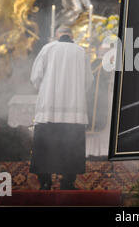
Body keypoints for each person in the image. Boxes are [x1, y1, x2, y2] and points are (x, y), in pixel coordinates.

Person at [30, 26, 94, 190]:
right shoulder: (81, 51)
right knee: (71, 145)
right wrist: (76, 94)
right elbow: (88, 81)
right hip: (74, 110)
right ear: (72, 35)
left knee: (45, 145)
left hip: (49, 108)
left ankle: (45, 182)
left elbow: (35, 77)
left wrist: (45, 91)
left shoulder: (47, 49)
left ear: (57, 35)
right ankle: (68, 182)